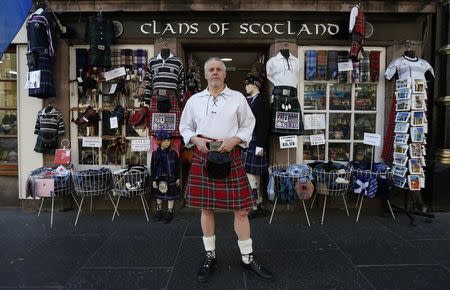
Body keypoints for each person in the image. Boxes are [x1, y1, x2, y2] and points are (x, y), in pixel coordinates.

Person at [180, 57, 273, 283]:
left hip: (230, 155)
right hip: (204, 154)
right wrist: (194, 139)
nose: (214, 72)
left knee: (242, 210)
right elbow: (185, 126)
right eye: (210, 69)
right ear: (205, 74)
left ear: (224, 74)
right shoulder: (194, 100)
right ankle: (210, 255)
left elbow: (248, 125)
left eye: (219, 69)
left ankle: (247, 257)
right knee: (207, 209)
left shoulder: (238, 98)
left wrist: (236, 140)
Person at [243, 73, 271, 219]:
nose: (245, 86)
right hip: (248, 142)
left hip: (257, 142)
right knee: (253, 175)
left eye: (247, 83)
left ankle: (255, 205)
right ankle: (257, 203)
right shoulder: (248, 101)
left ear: (255, 84)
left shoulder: (262, 101)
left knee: (252, 175)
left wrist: (260, 145)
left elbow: (264, 125)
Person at [150, 130, 180, 224]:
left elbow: (177, 166)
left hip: (171, 177)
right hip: (159, 177)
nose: (167, 142)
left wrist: (178, 177)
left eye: (168, 140)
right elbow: (153, 167)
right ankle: (159, 211)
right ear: (159, 141)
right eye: (165, 140)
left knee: (170, 195)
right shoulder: (155, 154)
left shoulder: (173, 153)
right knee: (159, 195)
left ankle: (169, 212)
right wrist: (154, 179)